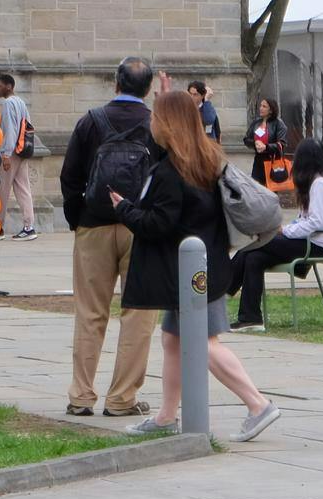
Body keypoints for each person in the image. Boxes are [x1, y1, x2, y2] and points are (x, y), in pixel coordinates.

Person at [113, 90, 281, 443]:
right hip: (206, 266)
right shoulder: (206, 157)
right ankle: (165, 416)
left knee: (204, 344)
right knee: (173, 340)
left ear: (168, 125)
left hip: (193, 275)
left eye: (155, 118)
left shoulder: (172, 172)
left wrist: (124, 209)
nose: (150, 123)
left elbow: (159, 223)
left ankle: (258, 404)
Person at [57, 56, 159, 419]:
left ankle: (81, 396)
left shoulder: (91, 121)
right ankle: (122, 398)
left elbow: (69, 177)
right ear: (148, 89)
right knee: (139, 315)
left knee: (90, 313)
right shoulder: (155, 124)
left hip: (94, 225)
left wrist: (79, 220)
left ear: (115, 83)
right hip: (142, 229)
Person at [228, 137, 323, 332]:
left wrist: (285, 231)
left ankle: (221, 289)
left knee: (257, 242)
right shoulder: (319, 181)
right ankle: (250, 318)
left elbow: (317, 222)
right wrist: (286, 228)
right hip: (310, 240)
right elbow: (307, 220)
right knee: (254, 258)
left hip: (318, 245)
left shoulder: (320, 184)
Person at [0, 74, 39, 240]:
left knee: (2, 189)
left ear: (8, 86)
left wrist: (6, 154)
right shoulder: (21, 102)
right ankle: (29, 226)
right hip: (22, 150)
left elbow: (10, 129)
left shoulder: (8, 103)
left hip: (11, 151)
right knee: (23, 189)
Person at [242, 98, 289, 187]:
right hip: (258, 162)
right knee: (256, 190)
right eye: (260, 106)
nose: (260, 108)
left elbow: (282, 144)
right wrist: (255, 143)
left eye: (264, 106)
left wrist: (266, 147)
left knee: (271, 191)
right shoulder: (256, 122)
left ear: (271, 110)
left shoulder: (279, 124)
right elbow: (246, 139)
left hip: (272, 161)